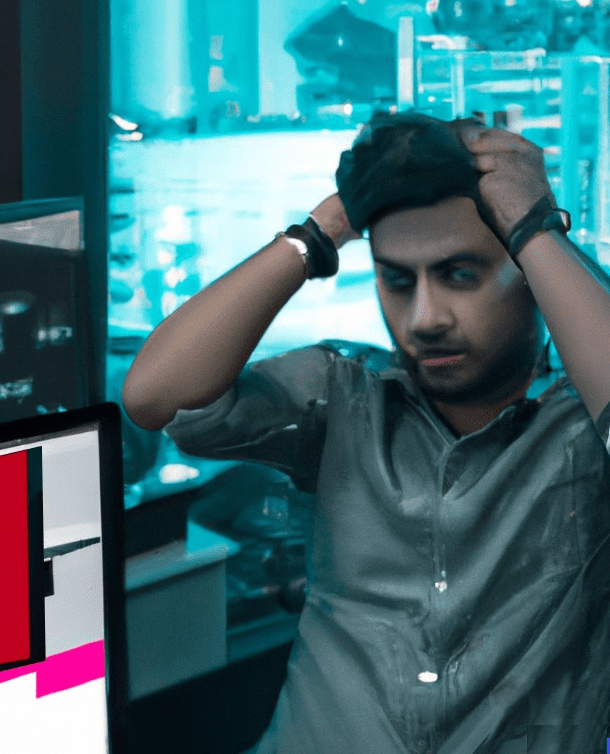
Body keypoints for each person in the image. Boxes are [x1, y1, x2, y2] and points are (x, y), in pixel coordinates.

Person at [121, 112, 610, 754]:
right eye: (398, 280)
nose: (424, 318)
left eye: (460, 275)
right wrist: (321, 230)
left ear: (529, 275)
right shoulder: (344, 392)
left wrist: (536, 229)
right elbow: (153, 396)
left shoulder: (581, 426)